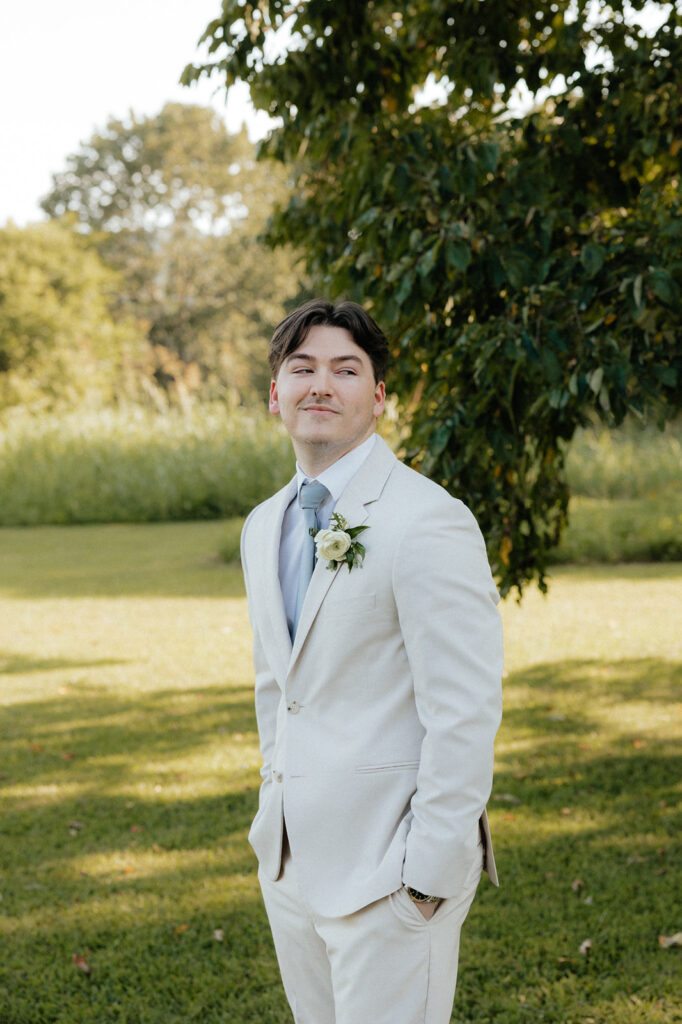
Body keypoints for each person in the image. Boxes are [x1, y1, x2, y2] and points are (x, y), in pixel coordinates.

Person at [240, 298, 503, 1024]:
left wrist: (427, 875)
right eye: (302, 368)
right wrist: (275, 824)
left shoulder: (427, 519)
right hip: (292, 868)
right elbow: (277, 689)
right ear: (275, 394)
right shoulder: (264, 525)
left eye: (345, 370)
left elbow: (465, 709)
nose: (320, 385)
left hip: (390, 876)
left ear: (379, 397)